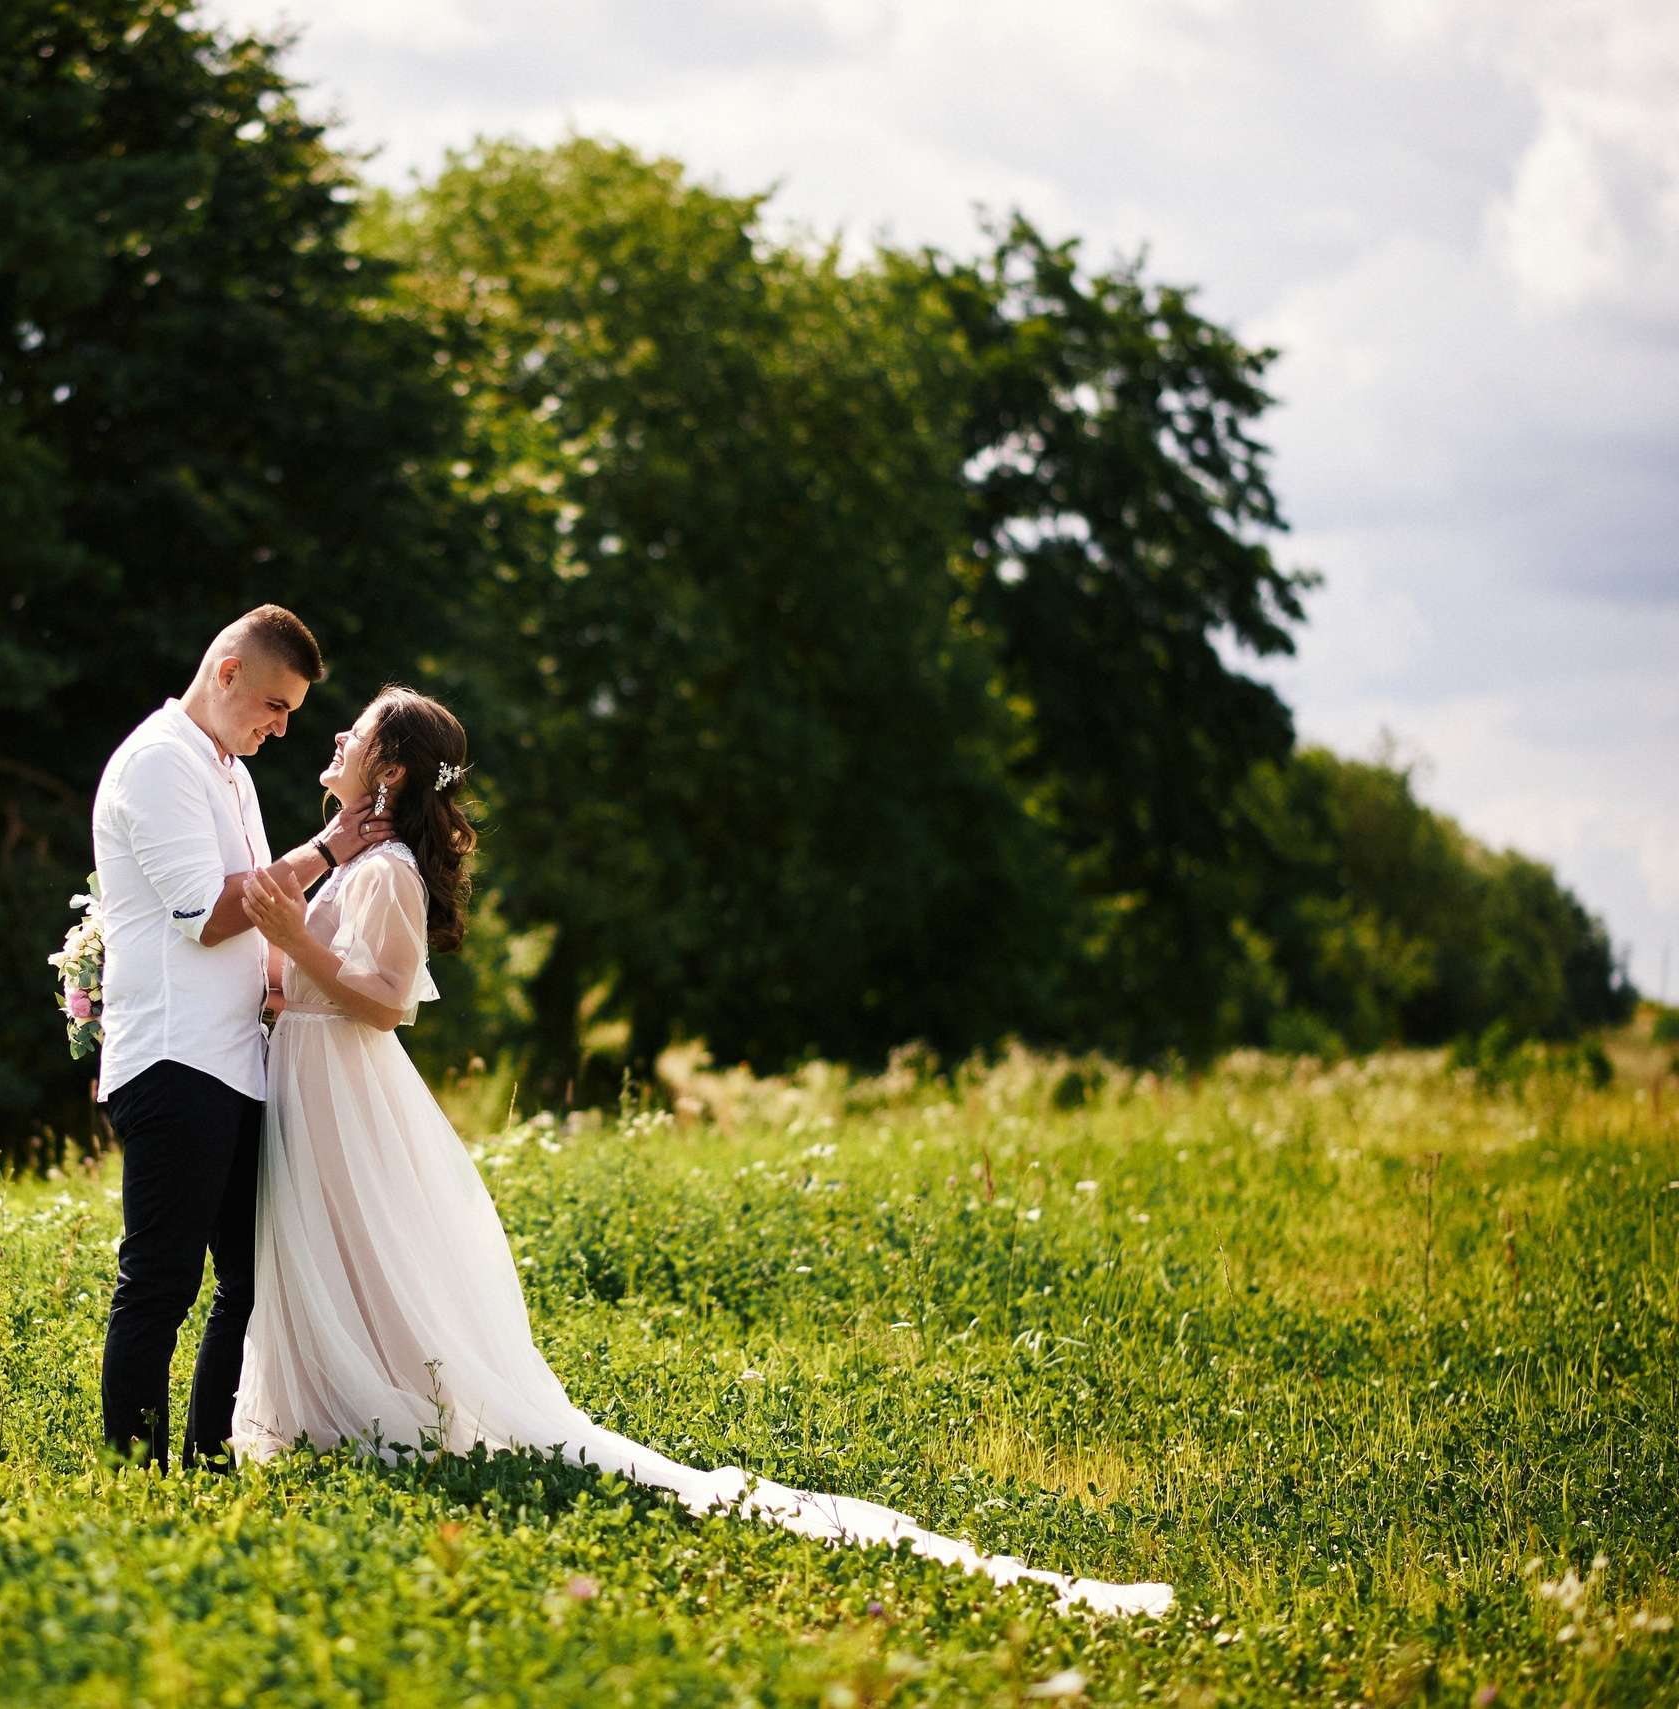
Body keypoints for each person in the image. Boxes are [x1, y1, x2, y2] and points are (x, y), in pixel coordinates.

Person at [230, 685, 1174, 1619]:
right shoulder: (357, 859)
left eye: (356, 729)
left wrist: (289, 947)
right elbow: (303, 973)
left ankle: (382, 1411)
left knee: (354, 1242)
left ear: (388, 771)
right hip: (313, 1076)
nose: (340, 732)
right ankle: (328, 1409)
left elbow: (387, 999)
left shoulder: (389, 866)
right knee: (330, 1247)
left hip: (346, 1083)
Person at [88, 604, 388, 1471]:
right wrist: (327, 849)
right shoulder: (157, 763)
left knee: (250, 1279)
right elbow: (215, 913)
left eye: (290, 712)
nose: (282, 727)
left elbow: (260, 924)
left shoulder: (229, 769)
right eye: (274, 705)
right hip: (177, 1060)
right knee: (162, 1281)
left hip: (236, 1063)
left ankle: (208, 1457)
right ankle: (132, 1472)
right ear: (226, 674)